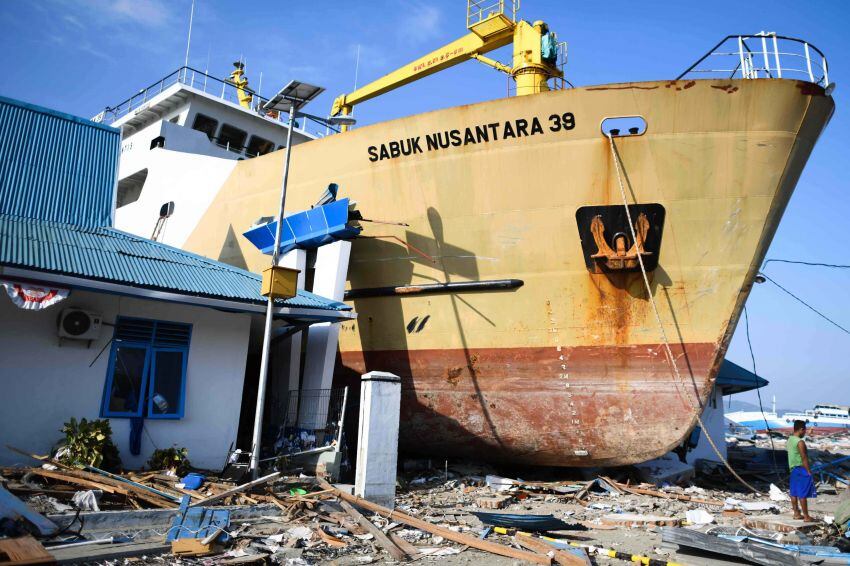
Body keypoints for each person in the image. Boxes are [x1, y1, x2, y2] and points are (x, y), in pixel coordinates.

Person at [787, 420, 816, 521]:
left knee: (794, 492)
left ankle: (796, 513)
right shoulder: (800, 442)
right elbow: (804, 458)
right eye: (805, 430)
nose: (805, 432)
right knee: (802, 493)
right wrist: (808, 471)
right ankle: (806, 516)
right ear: (801, 429)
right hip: (800, 468)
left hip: (793, 469)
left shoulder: (790, 439)